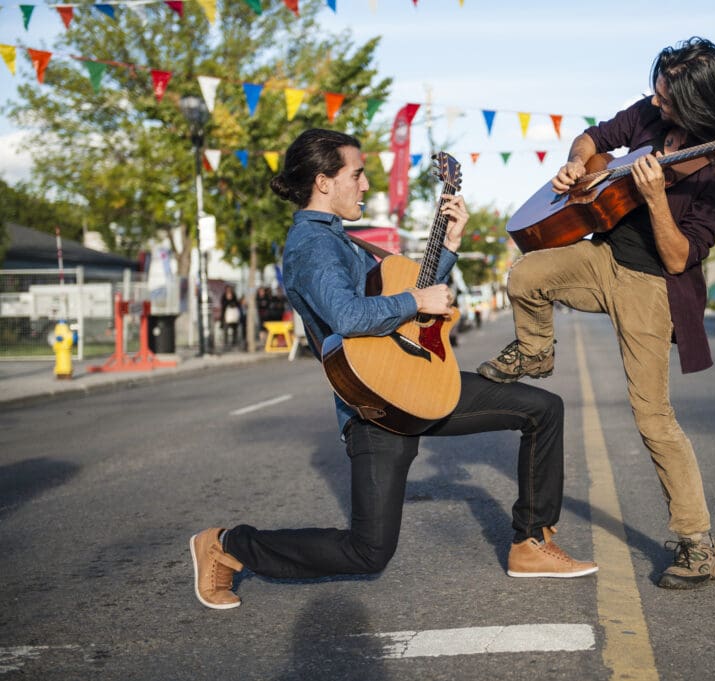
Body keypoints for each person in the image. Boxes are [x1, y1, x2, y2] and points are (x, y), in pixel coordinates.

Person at [190, 129, 597, 610]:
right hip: (376, 402)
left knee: (542, 409)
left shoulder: (343, 240)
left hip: (417, 380)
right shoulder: (312, 246)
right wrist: (417, 299)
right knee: (368, 551)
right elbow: (347, 316)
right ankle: (228, 544)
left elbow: (401, 301)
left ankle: (531, 543)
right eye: (357, 175)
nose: (365, 186)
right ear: (323, 181)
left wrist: (447, 247)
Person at [478, 37, 715, 590]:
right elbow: (594, 139)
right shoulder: (650, 112)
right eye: (657, 90)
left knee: (653, 417)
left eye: (669, 96)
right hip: (602, 254)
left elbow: (678, 256)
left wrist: (653, 199)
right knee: (525, 275)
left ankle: (699, 545)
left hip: (653, 287)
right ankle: (535, 351)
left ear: (700, 103)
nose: (657, 101)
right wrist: (576, 166)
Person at [220, 285, 242, 349]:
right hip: (226, 316)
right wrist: (227, 300)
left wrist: (233, 303)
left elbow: (237, 303)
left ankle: (234, 341)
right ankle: (226, 342)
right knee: (226, 329)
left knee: (234, 329)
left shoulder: (234, 296)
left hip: (234, 315)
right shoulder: (224, 296)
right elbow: (223, 304)